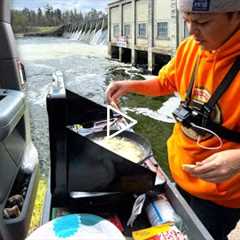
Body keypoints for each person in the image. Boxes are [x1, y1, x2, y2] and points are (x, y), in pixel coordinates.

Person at [106, 0, 240, 239]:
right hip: (178, 177)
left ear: (236, 15)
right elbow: (165, 82)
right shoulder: (190, 48)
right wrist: (129, 85)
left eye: (203, 22)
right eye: (187, 20)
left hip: (218, 198)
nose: (191, 31)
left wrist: (237, 159)